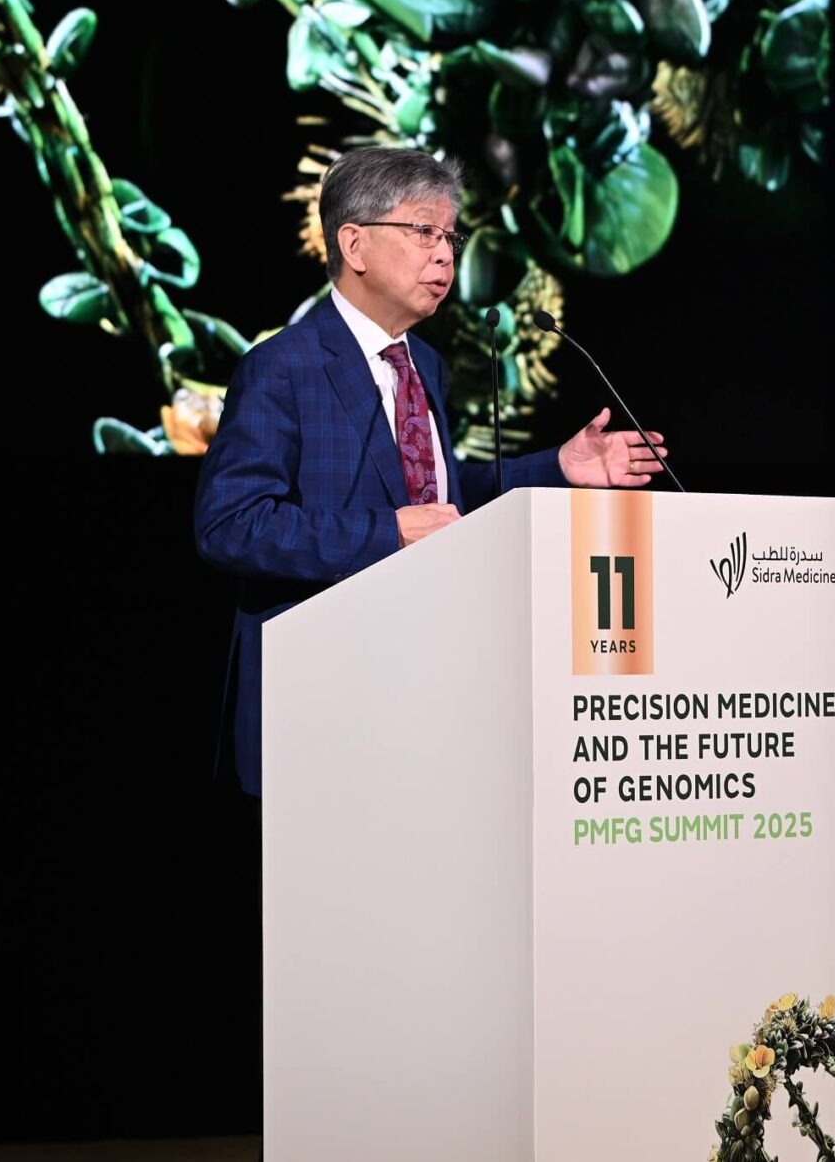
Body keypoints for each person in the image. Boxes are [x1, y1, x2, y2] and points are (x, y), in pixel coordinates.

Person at [193, 145, 672, 798]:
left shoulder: (426, 365)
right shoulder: (283, 366)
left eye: (450, 236)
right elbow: (230, 524)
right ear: (354, 244)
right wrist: (388, 534)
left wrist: (557, 465)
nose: (446, 254)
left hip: (424, 695)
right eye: (424, 231)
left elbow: (438, 499)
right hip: (320, 703)